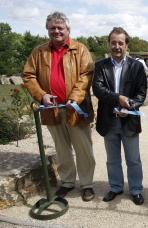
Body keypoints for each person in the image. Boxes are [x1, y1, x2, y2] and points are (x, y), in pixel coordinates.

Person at [22, 11, 96, 201]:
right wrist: (42, 95)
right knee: (62, 149)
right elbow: (28, 76)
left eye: (60, 28)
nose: (56, 31)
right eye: (52, 28)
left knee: (83, 148)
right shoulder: (38, 52)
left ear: (67, 30)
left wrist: (75, 97)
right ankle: (68, 182)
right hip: (52, 110)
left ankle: (87, 184)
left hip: (76, 109)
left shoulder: (80, 49)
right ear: (47, 29)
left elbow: (86, 75)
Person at [92, 27, 147, 205]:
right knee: (112, 159)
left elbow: (141, 94)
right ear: (109, 44)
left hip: (129, 119)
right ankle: (115, 187)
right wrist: (119, 99)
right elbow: (98, 89)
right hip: (108, 121)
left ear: (126, 45)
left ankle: (136, 190)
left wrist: (130, 106)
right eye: (113, 42)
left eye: (120, 43)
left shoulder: (137, 66)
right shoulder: (101, 65)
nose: (117, 46)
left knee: (133, 159)